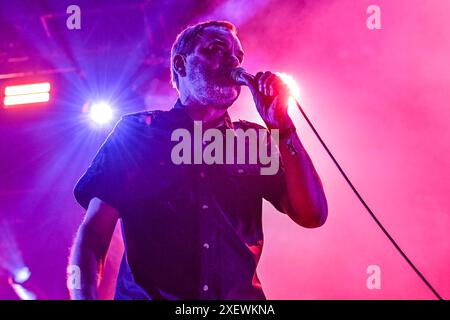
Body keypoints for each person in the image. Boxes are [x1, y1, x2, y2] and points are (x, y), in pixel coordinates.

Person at [69, 20, 328, 300]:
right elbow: (94, 235)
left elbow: (312, 214)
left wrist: (283, 129)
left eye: (238, 56)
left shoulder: (254, 140)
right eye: (216, 49)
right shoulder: (138, 134)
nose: (232, 59)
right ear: (181, 66)